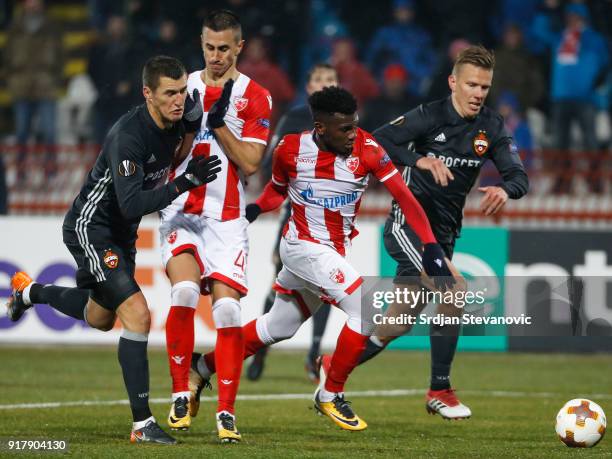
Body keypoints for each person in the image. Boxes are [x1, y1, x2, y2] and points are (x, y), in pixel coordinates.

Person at [189, 86, 455, 432]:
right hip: (300, 246)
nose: (352, 134)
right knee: (366, 307)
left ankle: (203, 367)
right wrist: (254, 210)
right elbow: (277, 191)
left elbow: (405, 197)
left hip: (329, 252)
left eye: (354, 125)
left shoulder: (368, 149)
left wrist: (431, 246)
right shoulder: (290, 148)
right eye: (344, 128)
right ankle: (330, 393)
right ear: (320, 128)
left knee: (277, 327)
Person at [5, 55, 222, 444]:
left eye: (181, 92)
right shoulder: (129, 137)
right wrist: (185, 182)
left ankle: (28, 291)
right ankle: (142, 424)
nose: (178, 100)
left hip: (121, 235)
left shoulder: (183, 114)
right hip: (92, 228)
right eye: (169, 93)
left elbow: (184, 137)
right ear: (147, 94)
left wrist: (200, 120)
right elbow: (131, 205)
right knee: (137, 315)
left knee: (100, 317)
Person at [320, 45, 529, 421]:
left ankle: (332, 367)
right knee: (455, 290)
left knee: (395, 324)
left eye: (485, 86)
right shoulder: (429, 116)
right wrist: (418, 159)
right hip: (408, 226)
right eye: (472, 84)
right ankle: (440, 389)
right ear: (453, 82)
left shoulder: (493, 127)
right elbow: (376, 140)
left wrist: (505, 189)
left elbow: (518, 175)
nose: (479, 93)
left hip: (444, 235)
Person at [159, 10, 271, 443]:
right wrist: (189, 125)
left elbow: (250, 162)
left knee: (227, 311)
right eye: (209, 47)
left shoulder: (255, 96)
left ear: (239, 47)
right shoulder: (180, 87)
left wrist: (219, 124)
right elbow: (166, 156)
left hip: (227, 218)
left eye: (225, 48)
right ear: (201, 44)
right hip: (181, 210)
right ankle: (179, 394)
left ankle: (226, 413)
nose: (216, 55)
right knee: (184, 291)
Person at [243, 62, 339, 383]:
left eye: (331, 80)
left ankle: (313, 355)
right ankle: (261, 351)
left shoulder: (347, 123)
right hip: (296, 218)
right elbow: (271, 164)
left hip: (332, 222)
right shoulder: (295, 119)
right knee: (279, 284)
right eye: (319, 79)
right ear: (309, 86)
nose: (325, 85)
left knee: (326, 287)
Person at [532, 2, 609, 194]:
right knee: (560, 142)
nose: (572, 20)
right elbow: (538, 31)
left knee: (590, 141)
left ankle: (595, 181)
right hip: (561, 97)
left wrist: (599, 87)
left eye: (576, 17)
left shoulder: (593, 39)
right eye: (569, 17)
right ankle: (563, 181)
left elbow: (605, 64)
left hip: (585, 97)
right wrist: (547, 9)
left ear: (583, 18)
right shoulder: (559, 37)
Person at [4, 0, 64, 180]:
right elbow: (7, 57)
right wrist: (12, 79)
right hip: (21, 86)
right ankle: (21, 172)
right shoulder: (15, 27)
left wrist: (56, 79)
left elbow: (61, 56)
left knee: (49, 132)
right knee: (21, 133)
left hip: (46, 86)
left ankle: (51, 172)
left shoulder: (52, 26)